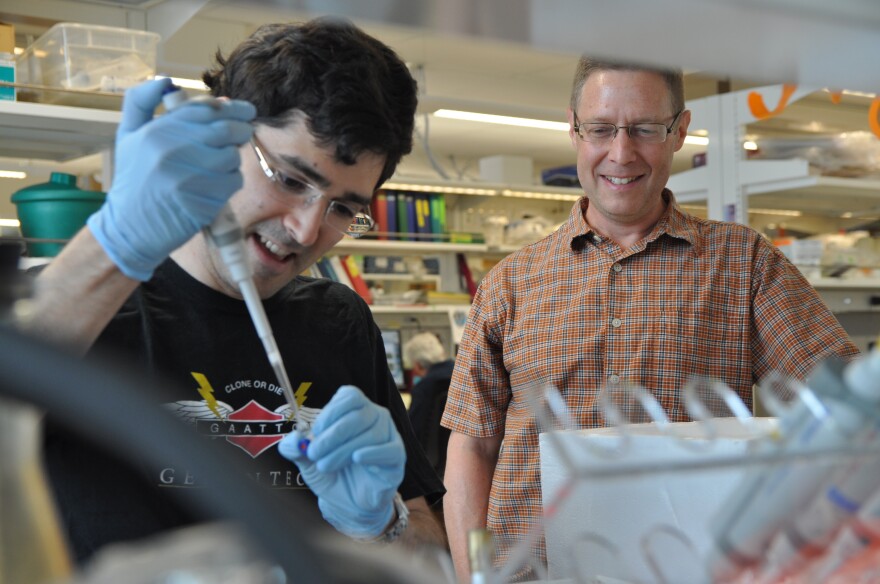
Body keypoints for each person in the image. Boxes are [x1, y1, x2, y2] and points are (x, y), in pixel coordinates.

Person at [27, 18, 446, 563]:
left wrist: (381, 524)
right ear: (219, 133)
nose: (305, 230)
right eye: (290, 179)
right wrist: (113, 246)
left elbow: (436, 551)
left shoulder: (339, 321)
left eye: (343, 208)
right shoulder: (89, 306)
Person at [441, 56, 860, 581]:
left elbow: (849, 409)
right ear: (573, 127)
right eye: (600, 129)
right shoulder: (510, 282)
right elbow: (471, 446)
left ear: (680, 130)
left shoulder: (744, 264)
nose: (621, 153)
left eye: (644, 129)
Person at [403, 332, 455, 480]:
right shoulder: (462, 376)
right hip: (459, 464)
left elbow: (412, 432)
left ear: (418, 365)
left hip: (428, 471)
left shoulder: (424, 388)